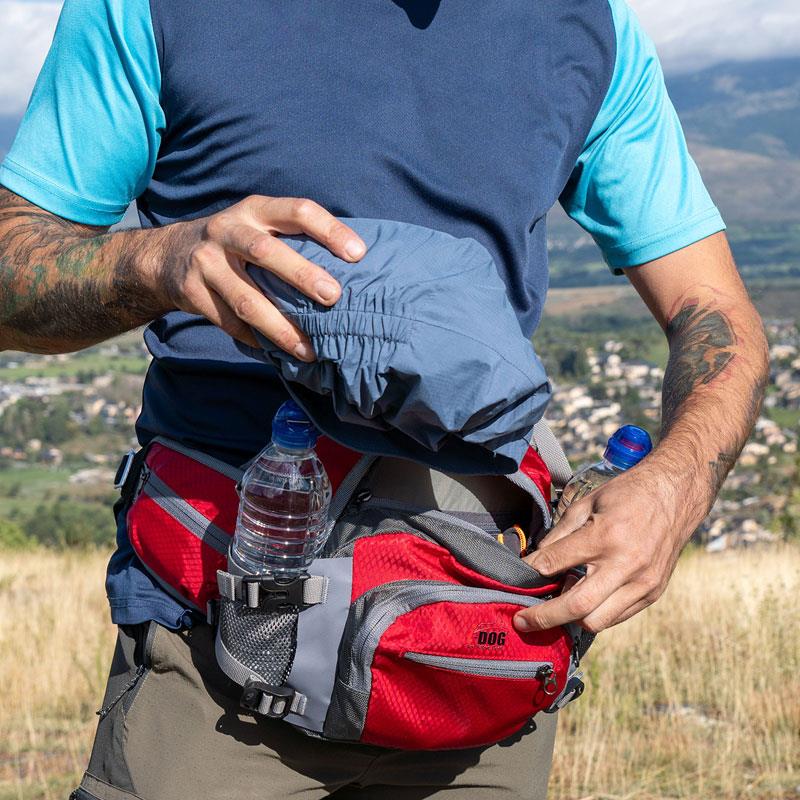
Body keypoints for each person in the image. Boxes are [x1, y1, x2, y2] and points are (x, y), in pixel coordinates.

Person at [0, 0, 768, 797]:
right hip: (222, 644)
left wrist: (676, 486)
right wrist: (159, 261)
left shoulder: (588, 26)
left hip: (476, 651)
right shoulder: (154, 10)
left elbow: (716, 311)